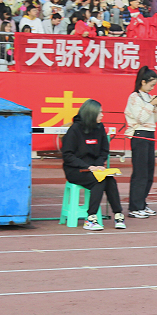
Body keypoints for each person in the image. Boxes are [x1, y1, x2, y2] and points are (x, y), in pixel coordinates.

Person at [62, 99, 126, 231]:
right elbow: (67, 155)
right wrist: (88, 167)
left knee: (110, 179)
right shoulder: (74, 130)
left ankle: (118, 215)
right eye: (99, 112)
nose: (102, 115)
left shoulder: (100, 127)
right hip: (76, 170)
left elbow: (104, 151)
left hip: (95, 168)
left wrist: (98, 165)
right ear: (91, 114)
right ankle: (90, 218)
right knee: (99, 180)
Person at [124, 66, 157, 218]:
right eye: (151, 84)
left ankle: (142, 203)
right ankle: (135, 208)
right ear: (143, 82)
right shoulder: (134, 97)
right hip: (139, 134)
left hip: (149, 134)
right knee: (140, 173)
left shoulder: (148, 97)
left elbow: (153, 119)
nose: (152, 88)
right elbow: (140, 118)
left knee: (148, 172)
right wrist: (151, 104)